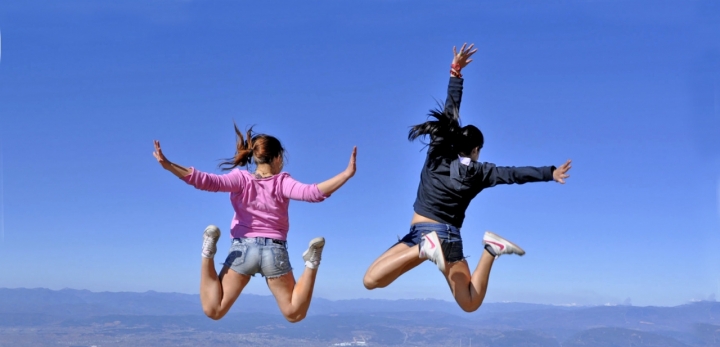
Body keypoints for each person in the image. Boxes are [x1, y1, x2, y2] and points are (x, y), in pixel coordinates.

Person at [362, 43, 572, 312]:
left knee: (370, 280)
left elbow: (451, 111)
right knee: (470, 301)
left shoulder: (439, 151)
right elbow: (514, 175)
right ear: (476, 150)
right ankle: (489, 249)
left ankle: (425, 249)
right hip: (445, 237)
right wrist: (549, 173)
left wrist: (456, 72)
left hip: (422, 234)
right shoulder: (481, 172)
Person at [153, 127, 357, 322]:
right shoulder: (282, 182)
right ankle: (311, 263)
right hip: (274, 252)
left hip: (243, 250)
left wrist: (169, 165)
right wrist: (347, 174)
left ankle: (208, 251)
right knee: (294, 313)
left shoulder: (241, 179)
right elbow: (313, 193)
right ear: (277, 158)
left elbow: (205, 181)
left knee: (214, 310)